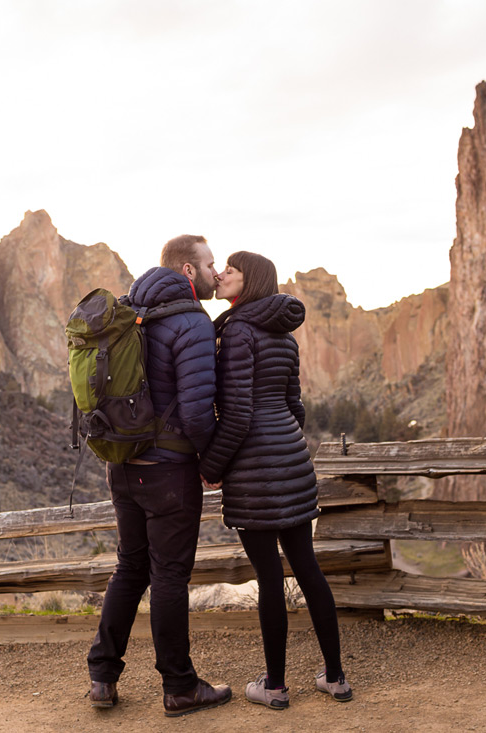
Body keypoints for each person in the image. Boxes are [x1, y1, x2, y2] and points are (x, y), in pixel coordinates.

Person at [199, 251, 352, 710]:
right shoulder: (284, 337)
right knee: (308, 569)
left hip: (253, 470)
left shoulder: (239, 332)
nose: (222, 273)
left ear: (251, 281)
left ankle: (276, 686)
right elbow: (296, 409)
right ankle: (336, 678)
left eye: (231, 269)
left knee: (269, 579)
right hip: (292, 461)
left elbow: (238, 414)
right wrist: (282, 444)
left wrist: (212, 467)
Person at [87, 234, 232, 717]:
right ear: (188, 271)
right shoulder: (191, 321)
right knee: (169, 575)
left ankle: (102, 677)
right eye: (210, 264)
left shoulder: (130, 310)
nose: (216, 272)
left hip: (123, 467)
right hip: (168, 471)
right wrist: (211, 462)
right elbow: (195, 413)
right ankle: (180, 687)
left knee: (130, 568)